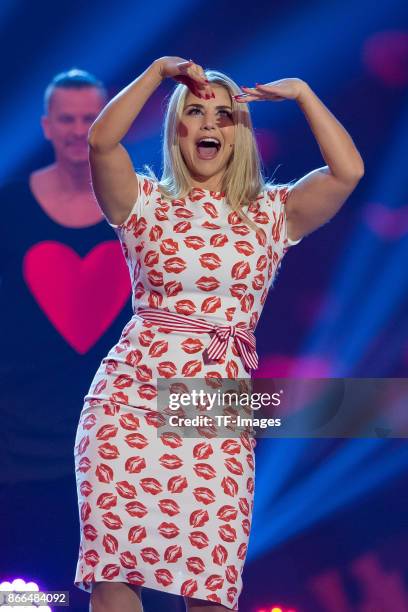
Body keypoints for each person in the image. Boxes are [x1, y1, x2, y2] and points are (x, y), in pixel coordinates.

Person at [73, 56, 364, 611]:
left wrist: (303, 92)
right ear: (176, 129)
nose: (209, 124)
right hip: (129, 398)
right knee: (115, 575)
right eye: (195, 112)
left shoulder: (273, 212)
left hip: (216, 407)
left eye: (224, 115)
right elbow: (102, 143)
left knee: (210, 586)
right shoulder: (145, 202)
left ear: (241, 133)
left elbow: (347, 172)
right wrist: (158, 74)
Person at [0, 68, 131, 484]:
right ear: (46, 126)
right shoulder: (7, 207)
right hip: (15, 442)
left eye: (91, 118)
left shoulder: (145, 207)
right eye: (67, 119)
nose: (79, 131)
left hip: (122, 437)